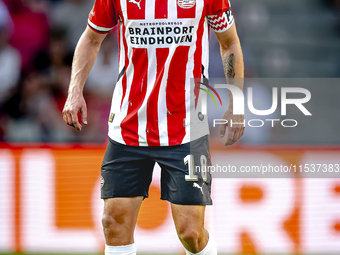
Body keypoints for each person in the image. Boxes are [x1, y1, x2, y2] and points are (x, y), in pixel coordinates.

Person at [62, 0, 244, 254]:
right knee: (113, 222)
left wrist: (235, 101)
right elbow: (91, 38)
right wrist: (74, 91)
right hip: (128, 127)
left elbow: (229, 43)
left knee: (191, 232)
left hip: (186, 128)